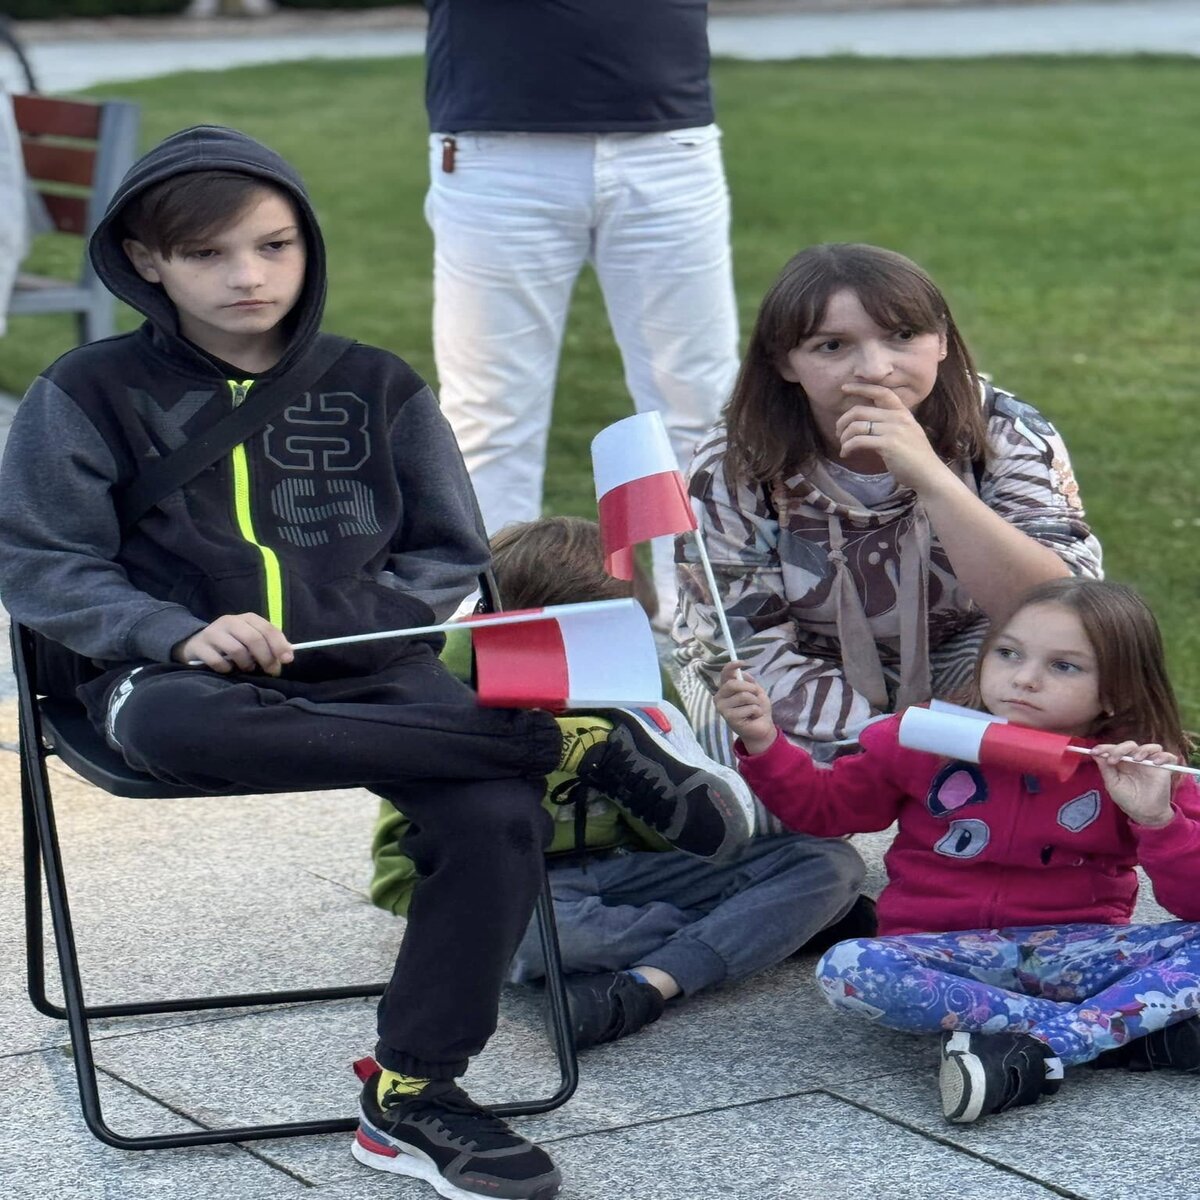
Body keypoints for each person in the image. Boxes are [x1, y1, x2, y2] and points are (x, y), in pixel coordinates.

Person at [0, 126, 752, 1200]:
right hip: (167, 674)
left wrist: (369, 617)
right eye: (209, 254)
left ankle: (414, 1092)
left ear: (307, 245)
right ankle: (554, 744)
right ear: (146, 259)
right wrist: (171, 632)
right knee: (180, 729)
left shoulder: (375, 384)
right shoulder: (86, 391)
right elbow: (42, 562)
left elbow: (449, 549)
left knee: (493, 813)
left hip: (366, 666)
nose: (249, 275)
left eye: (273, 245)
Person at [371, 516, 874, 1050]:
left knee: (827, 864)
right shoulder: (437, 682)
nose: (595, 654)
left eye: (609, 634)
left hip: (624, 868)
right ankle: (751, 932)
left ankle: (654, 979)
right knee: (528, 941)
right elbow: (402, 870)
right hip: (510, 885)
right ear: (501, 618)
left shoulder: (632, 674)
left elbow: (681, 817)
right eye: (573, 638)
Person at [715, 577, 1200, 1125]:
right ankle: (1109, 1035)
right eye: (1009, 653)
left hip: (1071, 954)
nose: (1024, 678)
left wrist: (1158, 820)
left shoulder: (1143, 771)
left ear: (1116, 691)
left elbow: (1192, 905)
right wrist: (763, 741)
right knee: (848, 966)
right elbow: (826, 810)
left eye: (1064, 666)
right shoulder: (926, 736)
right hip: (936, 955)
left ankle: (1038, 1042)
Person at [674, 242, 1103, 773]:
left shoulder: (1004, 430)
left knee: (1049, 715)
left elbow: (1069, 611)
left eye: (902, 336)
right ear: (785, 362)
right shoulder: (736, 461)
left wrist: (934, 482)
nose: (875, 369)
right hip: (795, 669)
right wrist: (899, 740)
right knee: (755, 762)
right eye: (833, 345)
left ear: (942, 340)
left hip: (961, 650)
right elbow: (741, 643)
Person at [422, 0, 740, 623]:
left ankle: (710, 631)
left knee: (699, 402)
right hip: (495, 145)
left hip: (667, 142)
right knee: (489, 408)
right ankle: (491, 625)